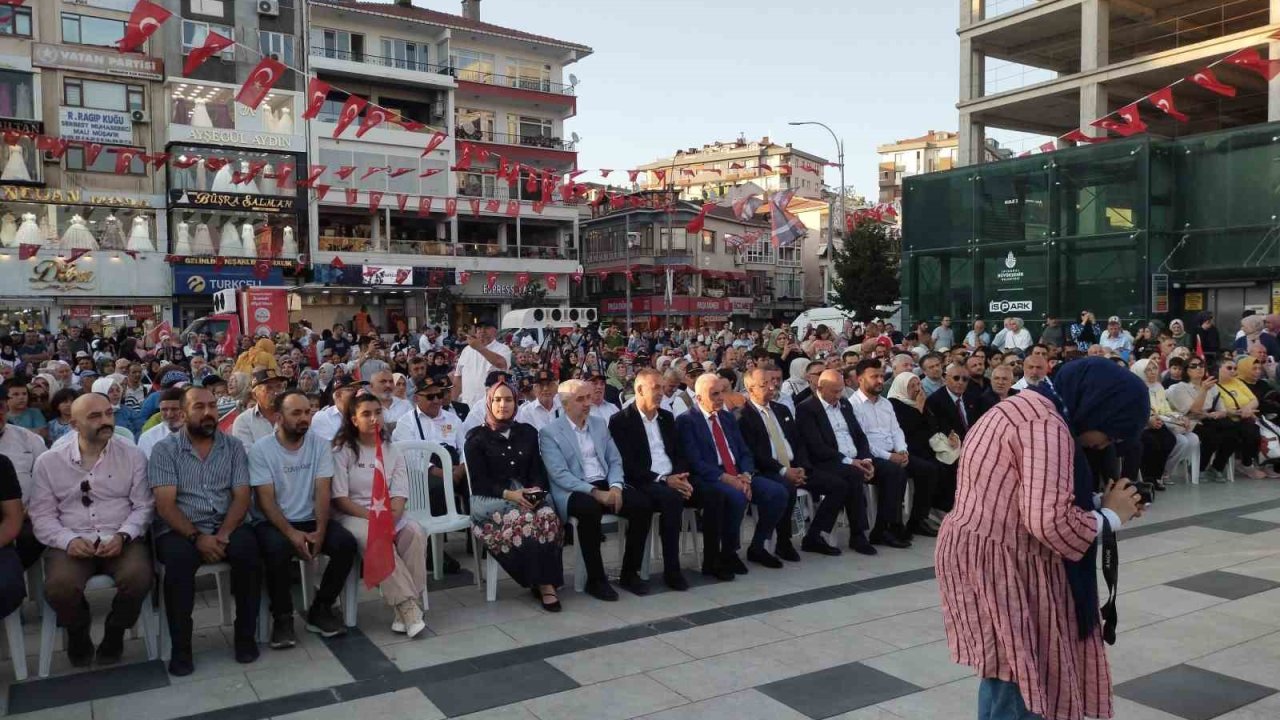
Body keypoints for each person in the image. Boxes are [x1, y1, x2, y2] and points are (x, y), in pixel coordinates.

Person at [936, 358, 1146, 720]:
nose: (1105, 444)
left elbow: (1025, 493)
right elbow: (1048, 521)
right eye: (1112, 432)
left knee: (1005, 670)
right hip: (1005, 563)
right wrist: (1111, 516)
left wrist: (1097, 503)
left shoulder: (1026, 405)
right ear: (1098, 408)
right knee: (1025, 673)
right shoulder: (1046, 425)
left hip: (985, 552)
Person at [29, 393, 153, 667]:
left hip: (121, 537)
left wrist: (124, 534)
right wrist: (68, 540)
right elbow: (41, 515)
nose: (105, 421)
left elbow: (143, 506)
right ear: (74, 424)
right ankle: (78, 630)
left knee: (138, 577)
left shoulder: (132, 455)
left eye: (109, 413)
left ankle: (115, 631)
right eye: (95, 416)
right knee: (60, 587)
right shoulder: (50, 462)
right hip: (72, 540)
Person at [150, 386, 262, 676]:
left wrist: (223, 534)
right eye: (199, 407)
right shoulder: (165, 450)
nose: (209, 412)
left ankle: (245, 637)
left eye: (212, 406)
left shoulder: (233, 446)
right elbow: (165, 505)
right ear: (184, 413)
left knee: (249, 551)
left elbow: (241, 495)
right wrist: (197, 537)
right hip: (181, 527)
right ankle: (181, 648)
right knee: (178, 563)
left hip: (227, 523)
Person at [250, 390, 354, 648]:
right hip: (274, 521)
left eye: (307, 412)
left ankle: (321, 608)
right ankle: (282, 618)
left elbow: (322, 490)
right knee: (276, 550)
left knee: (345, 545)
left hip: (310, 518)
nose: (304, 418)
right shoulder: (261, 450)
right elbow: (266, 500)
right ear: (278, 417)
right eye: (296, 413)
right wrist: (291, 533)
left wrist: (320, 530)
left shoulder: (319, 444)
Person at [541, 379, 653, 600]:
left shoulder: (599, 424)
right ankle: (596, 579)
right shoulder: (549, 432)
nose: (587, 403)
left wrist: (616, 487)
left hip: (604, 481)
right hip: (574, 488)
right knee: (589, 511)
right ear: (565, 404)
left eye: (588, 398)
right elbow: (560, 474)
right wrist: (593, 492)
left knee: (642, 505)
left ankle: (630, 573)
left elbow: (614, 460)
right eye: (580, 399)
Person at [611, 368, 722, 589]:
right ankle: (671, 570)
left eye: (662, 387)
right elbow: (629, 465)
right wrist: (665, 479)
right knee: (671, 499)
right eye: (656, 388)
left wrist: (681, 476)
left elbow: (679, 453)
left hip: (674, 477)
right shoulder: (621, 420)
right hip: (645, 481)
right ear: (639, 390)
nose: (662, 392)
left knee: (713, 494)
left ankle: (712, 561)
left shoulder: (666, 417)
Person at [331, 391, 429, 638]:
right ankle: (408, 606)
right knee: (376, 536)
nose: (374, 418)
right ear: (354, 420)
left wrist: (390, 518)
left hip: (387, 514)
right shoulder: (342, 451)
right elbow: (341, 499)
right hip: (354, 515)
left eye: (377, 412)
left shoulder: (391, 449)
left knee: (415, 532)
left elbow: (399, 494)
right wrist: (375, 520)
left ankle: (404, 609)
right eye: (366, 414)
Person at [466, 379, 564, 610]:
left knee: (548, 516)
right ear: (489, 403)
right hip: (492, 499)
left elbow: (537, 470)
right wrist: (511, 495)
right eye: (497, 400)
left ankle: (544, 579)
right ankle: (543, 584)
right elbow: (480, 483)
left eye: (508, 399)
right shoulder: (476, 437)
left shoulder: (527, 432)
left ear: (516, 402)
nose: (503, 405)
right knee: (527, 520)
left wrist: (535, 492)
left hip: (526, 493)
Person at [677, 372, 789, 571]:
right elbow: (695, 461)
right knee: (737, 497)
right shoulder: (688, 421)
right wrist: (727, 478)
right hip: (712, 476)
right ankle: (729, 551)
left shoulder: (727, 417)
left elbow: (744, 451)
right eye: (714, 394)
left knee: (778, 492)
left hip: (738, 473)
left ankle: (758, 545)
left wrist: (746, 475)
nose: (720, 398)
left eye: (722, 392)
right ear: (699, 397)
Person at [739, 367, 846, 556]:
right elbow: (755, 453)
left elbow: (798, 442)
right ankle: (783, 541)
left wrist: (802, 467)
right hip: (769, 470)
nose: (772, 387)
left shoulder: (781, 409)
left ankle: (815, 536)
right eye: (765, 384)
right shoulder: (743, 416)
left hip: (795, 467)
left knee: (838, 485)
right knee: (785, 488)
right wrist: (783, 471)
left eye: (773, 382)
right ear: (750, 388)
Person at [847, 360, 915, 543]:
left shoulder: (886, 403)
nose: (879, 380)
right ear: (860, 379)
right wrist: (890, 456)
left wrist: (902, 450)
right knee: (894, 472)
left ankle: (914, 521)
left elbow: (896, 430)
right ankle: (884, 528)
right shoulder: (852, 405)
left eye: (881, 376)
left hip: (893, 452)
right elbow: (861, 440)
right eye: (874, 377)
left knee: (928, 469)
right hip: (869, 456)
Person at [887, 372, 942, 536]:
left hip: (923, 449)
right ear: (902, 387)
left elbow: (932, 426)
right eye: (912, 386)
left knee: (944, 466)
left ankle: (934, 512)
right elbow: (905, 430)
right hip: (903, 451)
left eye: (918, 385)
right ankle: (916, 520)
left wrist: (921, 407)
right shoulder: (894, 403)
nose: (917, 389)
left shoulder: (920, 402)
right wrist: (918, 408)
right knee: (929, 470)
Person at [1132, 359, 1201, 488]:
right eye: (1148, 370)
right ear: (1139, 371)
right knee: (1154, 443)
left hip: (1161, 423)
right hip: (1143, 426)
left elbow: (1166, 409)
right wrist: (1154, 418)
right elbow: (1138, 411)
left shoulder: (1158, 387)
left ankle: (1159, 475)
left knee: (1169, 440)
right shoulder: (1135, 388)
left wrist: (1179, 417)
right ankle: (1149, 477)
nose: (1152, 372)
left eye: (1154, 369)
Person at [1167, 358, 1236, 480]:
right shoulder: (1180, 388)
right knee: (1212, 435)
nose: (1199, 368)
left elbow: (1222, 409)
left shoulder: (1212, 386)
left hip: (1210, 419)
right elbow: (1195, 410)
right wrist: (1203, 390)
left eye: (1201, 365)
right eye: (1193, 366)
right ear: (1186, 370)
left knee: (1234, 431)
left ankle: (1216, 467)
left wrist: (1218, 414)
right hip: (1191, 422)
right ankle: (1200, 467)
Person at [1215, 358, 1267, 479]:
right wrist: (1237, 412)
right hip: (1227, 418)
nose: (1233, 371)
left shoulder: (1237, 382)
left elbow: (1254, 400)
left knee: (1254, 430)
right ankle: (1246, 464)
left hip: (1245, 416)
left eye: (1234, 368)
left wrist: (1247, 409)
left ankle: (1249, 462)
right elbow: (1216, 408)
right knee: (1247, 432)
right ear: (1219, 369)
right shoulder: (1213, 385)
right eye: (1229, 368)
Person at [456, 321, 511, 409]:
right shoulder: (466, 350)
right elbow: (458, 377)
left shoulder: (503, 348)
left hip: (491, 405)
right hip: (467, 404)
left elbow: (500, 363)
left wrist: (479, 347)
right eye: (479, 328)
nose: (482, 331)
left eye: (487, 328)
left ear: (495, 331)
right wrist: (452, 402)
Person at [231, 370, 286, 450]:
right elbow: (248, 455)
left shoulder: (291, 416)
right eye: (269, 388)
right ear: (254, 395)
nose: (276, 393)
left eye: (279, 387)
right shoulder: (244, 421)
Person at [311, 377, 366, 442]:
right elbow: (336, 446)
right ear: (338, 395)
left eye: (359, 389)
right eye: (352, 389)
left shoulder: (365, 413)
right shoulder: (323, 417)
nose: (358, 393)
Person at [137, 387, 185, 459]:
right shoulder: (148, 438)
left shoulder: (199, 435)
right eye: (164, 409)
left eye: (175, 409)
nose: (169, 414)